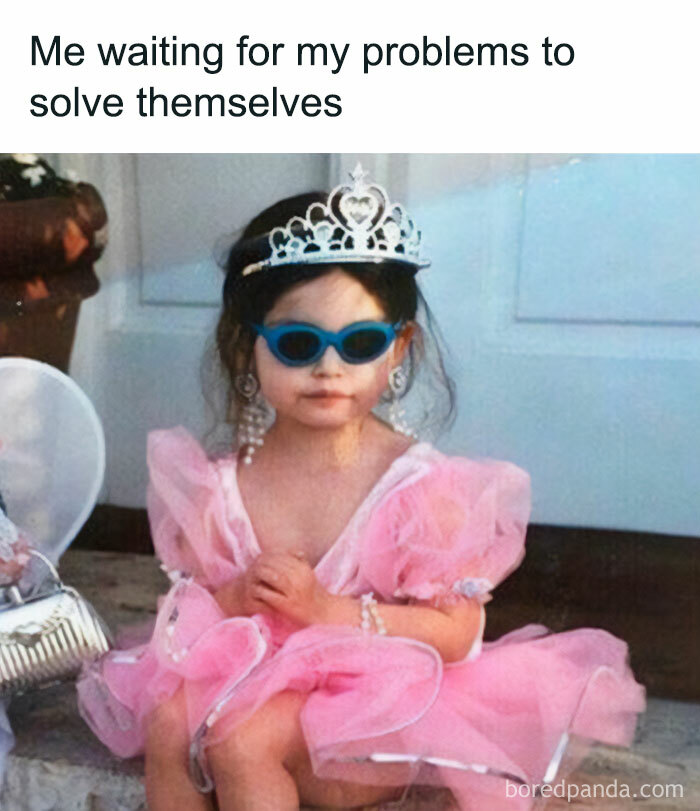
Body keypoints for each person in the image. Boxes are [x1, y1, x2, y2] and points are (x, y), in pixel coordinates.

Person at [76, 165, 645, 811]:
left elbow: (458, 634)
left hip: (369, 710)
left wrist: (328, 612)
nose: (329, 367)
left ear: (400, 348)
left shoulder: (420, 490)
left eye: (361, 342)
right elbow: (200, 604)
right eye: (297, 342)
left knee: (241, 739)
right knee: (170, 720)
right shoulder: (219, 486)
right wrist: (234, 594)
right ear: (247, 347)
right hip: (253, 678)